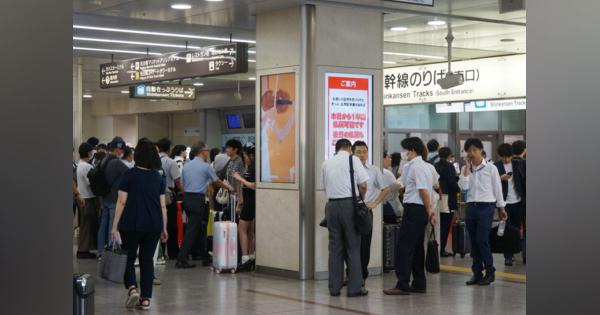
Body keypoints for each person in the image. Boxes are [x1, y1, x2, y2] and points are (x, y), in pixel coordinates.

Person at [111, 139, 168, 310]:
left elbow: (121, 202)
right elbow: (163, 205)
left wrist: (114, 226)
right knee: (147, 260)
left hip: (131, 223)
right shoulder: (158, 177)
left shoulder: (129, 175)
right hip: (154, 224)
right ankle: (145, 300)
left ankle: (132, 288)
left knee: (128, 257)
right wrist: (164, 227)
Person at [384, 137, 437, 296]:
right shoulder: (423, 166)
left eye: (405, 150)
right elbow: (403, 183)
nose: (403, 153)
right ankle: (419, 283)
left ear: (412, 150)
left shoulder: (417, 167)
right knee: (417, 248)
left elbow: (423, 191)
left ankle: (402, 284)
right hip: (418, 210)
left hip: (415, 210)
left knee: (404, 247)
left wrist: (430, 211)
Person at [322, 139, 369, 297]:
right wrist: (360, 199)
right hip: (349, 205)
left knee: (334, 248)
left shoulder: (326, 163)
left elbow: (325, 186)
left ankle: (334, 288)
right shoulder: (353, 159)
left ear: (336, 148)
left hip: (331, 206)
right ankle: (355, 288)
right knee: (353, 247)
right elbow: (363, 185)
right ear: (350, 148)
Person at [459, 138, 508, 286]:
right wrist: (467, 168)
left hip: (486, 207)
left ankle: (490, 272)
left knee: (482, 239)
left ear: (481, 150)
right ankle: (477, 273)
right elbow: (463, 187)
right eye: (469, 151)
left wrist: (501, 207)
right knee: (474, 242)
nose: (472, 153)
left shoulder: (491, 168)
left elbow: (497, 189)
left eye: (474, 150)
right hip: (471, 207)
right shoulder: (465, 169)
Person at [177, 141, 233, 268]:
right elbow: (217, 181)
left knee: (199, 228)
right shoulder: (205, 166)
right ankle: (181, 259)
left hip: (187, 199)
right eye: (206, 150)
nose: (207, 153)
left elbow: (182, 183)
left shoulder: (187, 166)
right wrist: (229, 188)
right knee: (192, 230)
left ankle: (203, 256)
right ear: (202, 151)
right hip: (198, 200)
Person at [352, 141, 390, 284]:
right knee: (351, 243)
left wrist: (374, 203)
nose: (362, 155)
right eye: (359, 152)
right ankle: (351, 275)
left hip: (365, 210)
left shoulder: (374, 170)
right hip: (349, 209)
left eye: (364, 151)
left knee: (364, 245)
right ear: (353, 153)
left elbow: (385, 189)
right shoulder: (350, 169)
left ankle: (362, 275)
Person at [494, 143, 526, 266]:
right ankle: (508, 256)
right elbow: (492, 183)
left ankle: (517, 251)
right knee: (505, 229)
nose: (506, 159)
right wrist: (500, 179)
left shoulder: (518, 165)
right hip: (503, 203)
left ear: (512, 155)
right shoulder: (495, 167)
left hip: (518, 202)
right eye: (503, 157)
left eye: (508, 157)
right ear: (500, 156)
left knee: (517, 228)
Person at [97, 137, 129, 258]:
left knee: (102, 227)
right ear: (117, 149)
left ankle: (100, 252)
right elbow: (130, 174)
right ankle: (111, 252)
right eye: (122, 150)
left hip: (104, 198)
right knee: (113, 227)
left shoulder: (104, 159)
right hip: (114, 199)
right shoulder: (116, 162)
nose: (122, 153)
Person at [157, 138, 185, 260]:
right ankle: (173, 252)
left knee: (159, 223)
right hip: (168, 195)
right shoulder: (170, 162)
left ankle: (160, 252)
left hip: (156, 195)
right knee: (171, 224)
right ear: (169, 148)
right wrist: (184, 192)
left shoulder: (155, 160)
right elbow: (177, 180)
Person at [232, 143, 257, 272]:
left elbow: (254, 185)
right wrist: (240, 202)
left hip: (251, 202)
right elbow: (244, 188)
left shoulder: (254, 169)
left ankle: (245, 259)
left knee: (242, 229)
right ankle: (251, 257)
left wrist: (240, 179)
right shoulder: (250, 167)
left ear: (250, 155)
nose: (244, 158)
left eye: (245, 156)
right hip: (247, 202)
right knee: (250, 230)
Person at [75, 142, 101, 259]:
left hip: (82, 197)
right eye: (92, 151)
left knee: (85, 224)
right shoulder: (86, 167)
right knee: (86, 225)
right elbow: (93, 183)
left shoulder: (79, 164)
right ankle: (83, 250)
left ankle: (84, 249)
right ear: (88, 153)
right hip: (88, 199)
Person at [435, 147, 461, 257]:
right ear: (449, 156)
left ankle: (437, 248)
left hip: (438, 198)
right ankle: (442, 250)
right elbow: (451, 182)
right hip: (448, 200)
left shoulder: (435, 165)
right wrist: (458, 188)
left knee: (439, 225)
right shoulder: (449, 166)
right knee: (445, 226)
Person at [221, 139, 245, 220]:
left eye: (228, 147)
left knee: (236, 220)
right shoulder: (231, 161)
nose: (226, 149)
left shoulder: (240, 162)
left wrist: (239, 199)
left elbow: (240, 181)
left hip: (237, 196)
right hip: (231, 195)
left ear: (235, 149)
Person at [511, 140, 526, 263]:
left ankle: (510, 255)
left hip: (511, 202)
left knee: (511, 228)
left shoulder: (508, 164)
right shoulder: (525, 163)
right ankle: (525, 255)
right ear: (524, 150)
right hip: (524, 201)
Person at [382, 151, 403, 224]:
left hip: (383, 206)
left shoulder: (376, 170)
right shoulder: (386, 173)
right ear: (382, 159)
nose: (390, 159)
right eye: (388, 157)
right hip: (391, 207)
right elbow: (397, 186)